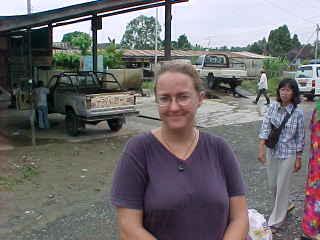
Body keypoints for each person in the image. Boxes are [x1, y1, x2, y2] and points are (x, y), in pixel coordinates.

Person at [111, 60, 249, 240]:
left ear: (200, 98)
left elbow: (239, 218)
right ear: (156, 100)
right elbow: (128, 227)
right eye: (165, 98)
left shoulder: (219, 149)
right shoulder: (138, 151)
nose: (174, 107)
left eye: (183, 97)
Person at [257, 78, 305, 233]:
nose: (284, 93)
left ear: (294, 92)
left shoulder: (298, 112)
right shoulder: (272, 107)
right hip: (272, 151)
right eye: (282, 89)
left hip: (289, 154)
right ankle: (286, 204)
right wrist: (261, 149)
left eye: (288, 90)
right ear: (278, 91)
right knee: (273, 185)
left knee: (282, 186)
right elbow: (264, 127)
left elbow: (300, 137)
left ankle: (276, 221)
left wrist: (298, 158)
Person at [300, 107, 320, 240]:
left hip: (316, 164)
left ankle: (310, 228)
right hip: (317, 164)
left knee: (314, 194)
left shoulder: (316, 110)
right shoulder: (317, 111)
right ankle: (312, 230)